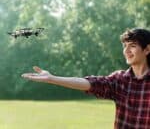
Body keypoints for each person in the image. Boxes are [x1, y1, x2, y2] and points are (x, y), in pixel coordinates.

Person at [22, 28, 150, 128]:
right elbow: (90, 83)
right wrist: (52, 78)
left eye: (132, 46)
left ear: (147, 49)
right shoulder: (120, 80)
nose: (126, 50)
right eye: (125, 46)